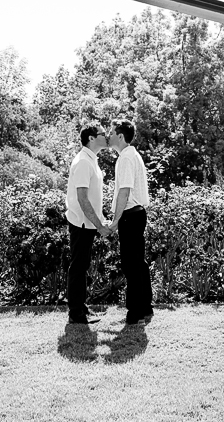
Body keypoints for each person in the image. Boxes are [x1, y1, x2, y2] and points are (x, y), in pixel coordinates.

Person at [106, 119, 154, 325]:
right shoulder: (133, 155)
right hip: (137, 214)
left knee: (131, 265)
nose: (108, 136)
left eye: (111, 132)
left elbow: (124, 192)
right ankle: (145, 308)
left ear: (120, 136)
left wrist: (115, 220)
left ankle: (136, 314)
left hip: (130, 215)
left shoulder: (126, 158)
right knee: (138, 263)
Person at [65, 125, 111, 325]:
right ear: (92, 138)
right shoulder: (84, 162)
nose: (106, 137)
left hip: (87, 223)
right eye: (103, 134)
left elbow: (92, 197)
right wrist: (99, 225)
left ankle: (80, 308)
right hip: (81, 223)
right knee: (78, 267)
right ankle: (76, 314)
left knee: (82, 266)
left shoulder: (91, 159)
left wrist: (100, 220)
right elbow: (83, 199)